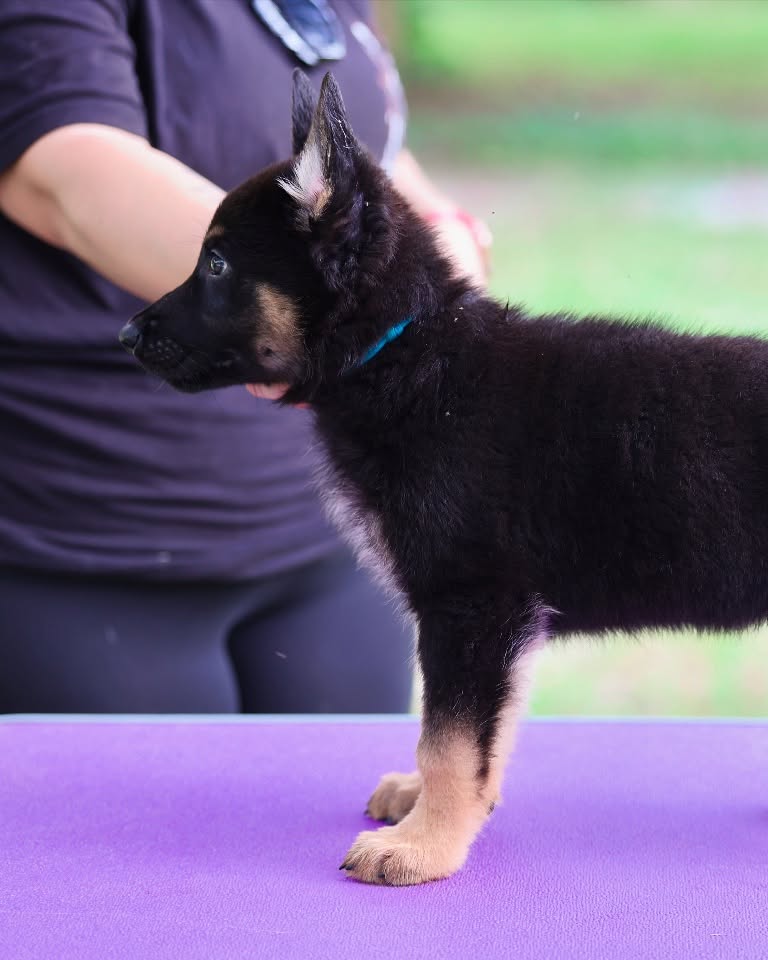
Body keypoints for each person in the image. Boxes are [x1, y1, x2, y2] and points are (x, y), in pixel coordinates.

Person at [0, 0, 491, 713]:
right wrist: (347, 306)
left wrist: (440, 229)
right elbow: (68, 172)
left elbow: (359, 158)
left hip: (333, 536)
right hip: (91, 545)